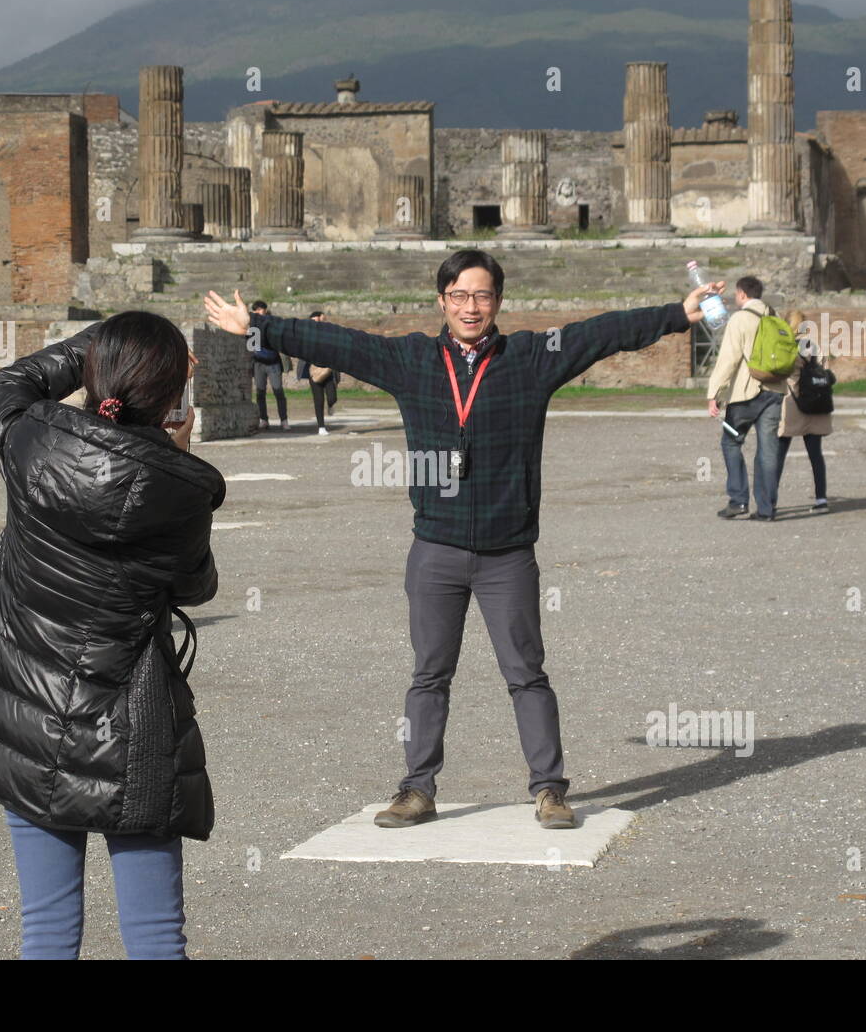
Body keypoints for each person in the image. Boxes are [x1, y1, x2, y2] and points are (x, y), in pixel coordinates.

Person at [205, 250, 719, 830]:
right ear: (441, 301)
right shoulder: (411, 359)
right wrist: (259, 326)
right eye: (458, 295)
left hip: (508, 553)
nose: (470, 307)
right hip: (436, 549)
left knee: (527, 674)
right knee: (429, 674)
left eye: (481, 296)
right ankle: (417, 789)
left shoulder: (531, 358)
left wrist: (679, 313)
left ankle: (549, 790)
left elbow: (602, 335)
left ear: (497, 302)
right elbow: (340, 344)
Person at [0, 311, 225, 960]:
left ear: (95, 374)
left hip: (25, 716)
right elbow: (196, 585)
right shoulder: (182, 493)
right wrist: (172, 457)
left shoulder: (32, 439)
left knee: (46, 928)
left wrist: (97, 344)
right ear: (172, 398)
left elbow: (17, 378)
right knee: (153, 936)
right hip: (131, 727)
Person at [706, 276, 788, 522]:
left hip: (744, 395)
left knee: (731, 443)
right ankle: (766, 509)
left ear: (741, 294)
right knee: (768, 450)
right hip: (774, 392)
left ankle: (738, 500)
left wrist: (714, 394)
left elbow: (728, 359)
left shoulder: (740, 319)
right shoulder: (775, 317)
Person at [776, 310, 832, 514]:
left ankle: (770, 502)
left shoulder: (787, 346)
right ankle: (821, 500)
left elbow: (781, 372)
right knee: (816, 455)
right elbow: (827, 371)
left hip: (793, 404)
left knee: (778, 454)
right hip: (816, 405)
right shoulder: (816, 345)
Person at [249, 299, 289, 430]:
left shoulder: (272, 323)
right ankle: (264, 419)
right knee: (260, 392)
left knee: (278, 390)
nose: (260, 312)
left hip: (273, 363)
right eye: (257, 310)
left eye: (262, 309)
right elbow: (251, 346)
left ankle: (284, 420)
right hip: (259, 363)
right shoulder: (252, 326)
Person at [298, 310, 339, 435]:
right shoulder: (306, 335)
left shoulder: (328, 333)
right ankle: (321, 427)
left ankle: (330, 405)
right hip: (314, 371)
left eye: (319, 320)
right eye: (314, 320)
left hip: (328, 370)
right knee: (318, 399)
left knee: (332, 397)